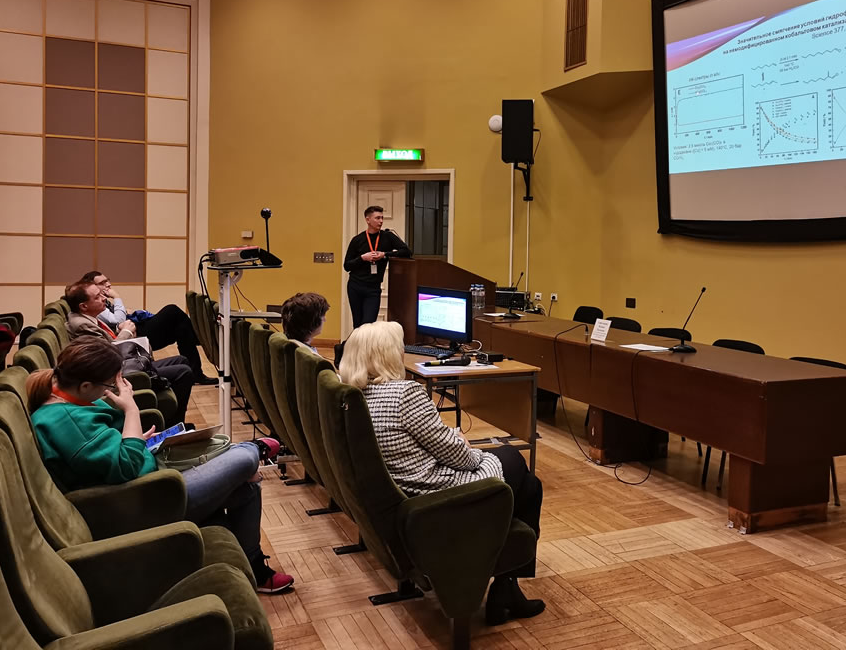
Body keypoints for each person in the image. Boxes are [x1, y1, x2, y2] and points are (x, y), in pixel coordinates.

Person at [27, 337, 294, 593]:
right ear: (85, 385)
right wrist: (131, 409)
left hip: (151, 481)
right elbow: (126, 466)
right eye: (109, 385)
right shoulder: (66, 421)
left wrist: (134, 439)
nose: (112, 391)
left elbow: (105, 453)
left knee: (247, 487)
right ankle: (254, 448)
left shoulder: (66, 401)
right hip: (146, 500)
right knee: (245, 459)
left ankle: (255, 568)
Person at [338, 320, 544, 625]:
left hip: (405, 492)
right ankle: (506, 586)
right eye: (398, 347)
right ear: (386, 355)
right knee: (522, 471)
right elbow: (462, 459)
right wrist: (466, 444)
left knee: (528, 484)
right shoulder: (404, 395)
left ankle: (507, 587)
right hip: (436, 494)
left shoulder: (353, 396)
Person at [65, 281, 195, 424]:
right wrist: (126, 332)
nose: (103, 298)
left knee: (182, 360)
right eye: (97, 297)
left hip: (123, 365)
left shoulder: (86, 317)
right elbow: (106, 354)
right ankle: (174, 425)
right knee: (184, 372)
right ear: (83, 306)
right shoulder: (82, 324)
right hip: (116, 376)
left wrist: (118, 330)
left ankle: (177, 422)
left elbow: (103, 340)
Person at [81, 271, 216, 386]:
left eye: (107, 280)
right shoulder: (92, 305)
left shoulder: (101, 302)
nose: (108, 284)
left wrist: (126, 311)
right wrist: (117, 298)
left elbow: (117, 319)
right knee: (172, 311)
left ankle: (196, 370)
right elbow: (118, 320)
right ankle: (203, 340)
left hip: (135, 330)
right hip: (134, 337)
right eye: (102, 283)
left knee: (181, 329)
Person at [342, 206, 411, 328]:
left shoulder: (388, 237)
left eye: (382, 218)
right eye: (377, 218)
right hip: (355, 286)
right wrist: (363, 258)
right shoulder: (357, 240)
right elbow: (347, 266)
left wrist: (385, 254)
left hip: (373, 288)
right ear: (368, 220)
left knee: (368, 324)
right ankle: (357, 341)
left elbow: (407, 252)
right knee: (357, 324)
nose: (381, 221)